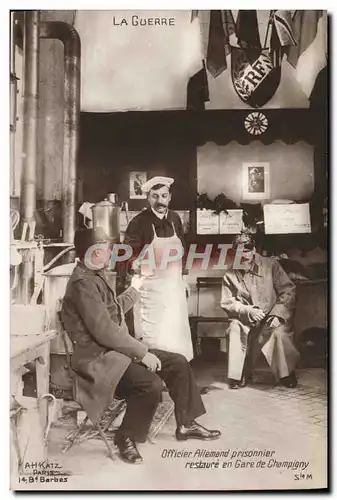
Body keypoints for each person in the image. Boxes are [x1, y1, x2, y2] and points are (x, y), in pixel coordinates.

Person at [62, 228, 220, 465]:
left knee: (177, 361)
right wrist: (142, 352)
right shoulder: (83, 283)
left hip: (114, 353)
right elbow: (104, 331)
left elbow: (112, 314)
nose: (111, 253)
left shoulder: (94, 275)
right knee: (149, 385)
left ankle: (186, 423)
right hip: (97, 361)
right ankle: (125, 437)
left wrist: (135, 288)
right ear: (93, 252)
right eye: (106, 249)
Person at [124, 176, 193, 361]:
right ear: (148, 198)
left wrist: (184, 278)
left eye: (163, 196)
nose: (160, 201)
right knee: (153, 337)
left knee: (174, 334)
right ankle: (155, 377)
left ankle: (177, 375)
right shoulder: (138, 222)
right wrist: (133, 263)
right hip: (150, 291)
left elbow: (183, 251)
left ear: (169, 197)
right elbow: (127, 254)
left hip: (173, 289)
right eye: (155, 196)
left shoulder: (175, 219)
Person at [221, 232, 300, 390]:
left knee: (279, 333)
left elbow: (288, 290)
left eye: (248, 249)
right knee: (234, 329)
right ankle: (238, 374)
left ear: (254, 249)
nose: (244, 254)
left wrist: (278, 313)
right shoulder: (230, 273)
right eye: (239, 250)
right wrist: (248, 311)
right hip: (246, 318)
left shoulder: (271, 265)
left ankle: (286, 374)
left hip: (271, 315)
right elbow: (228, 302)